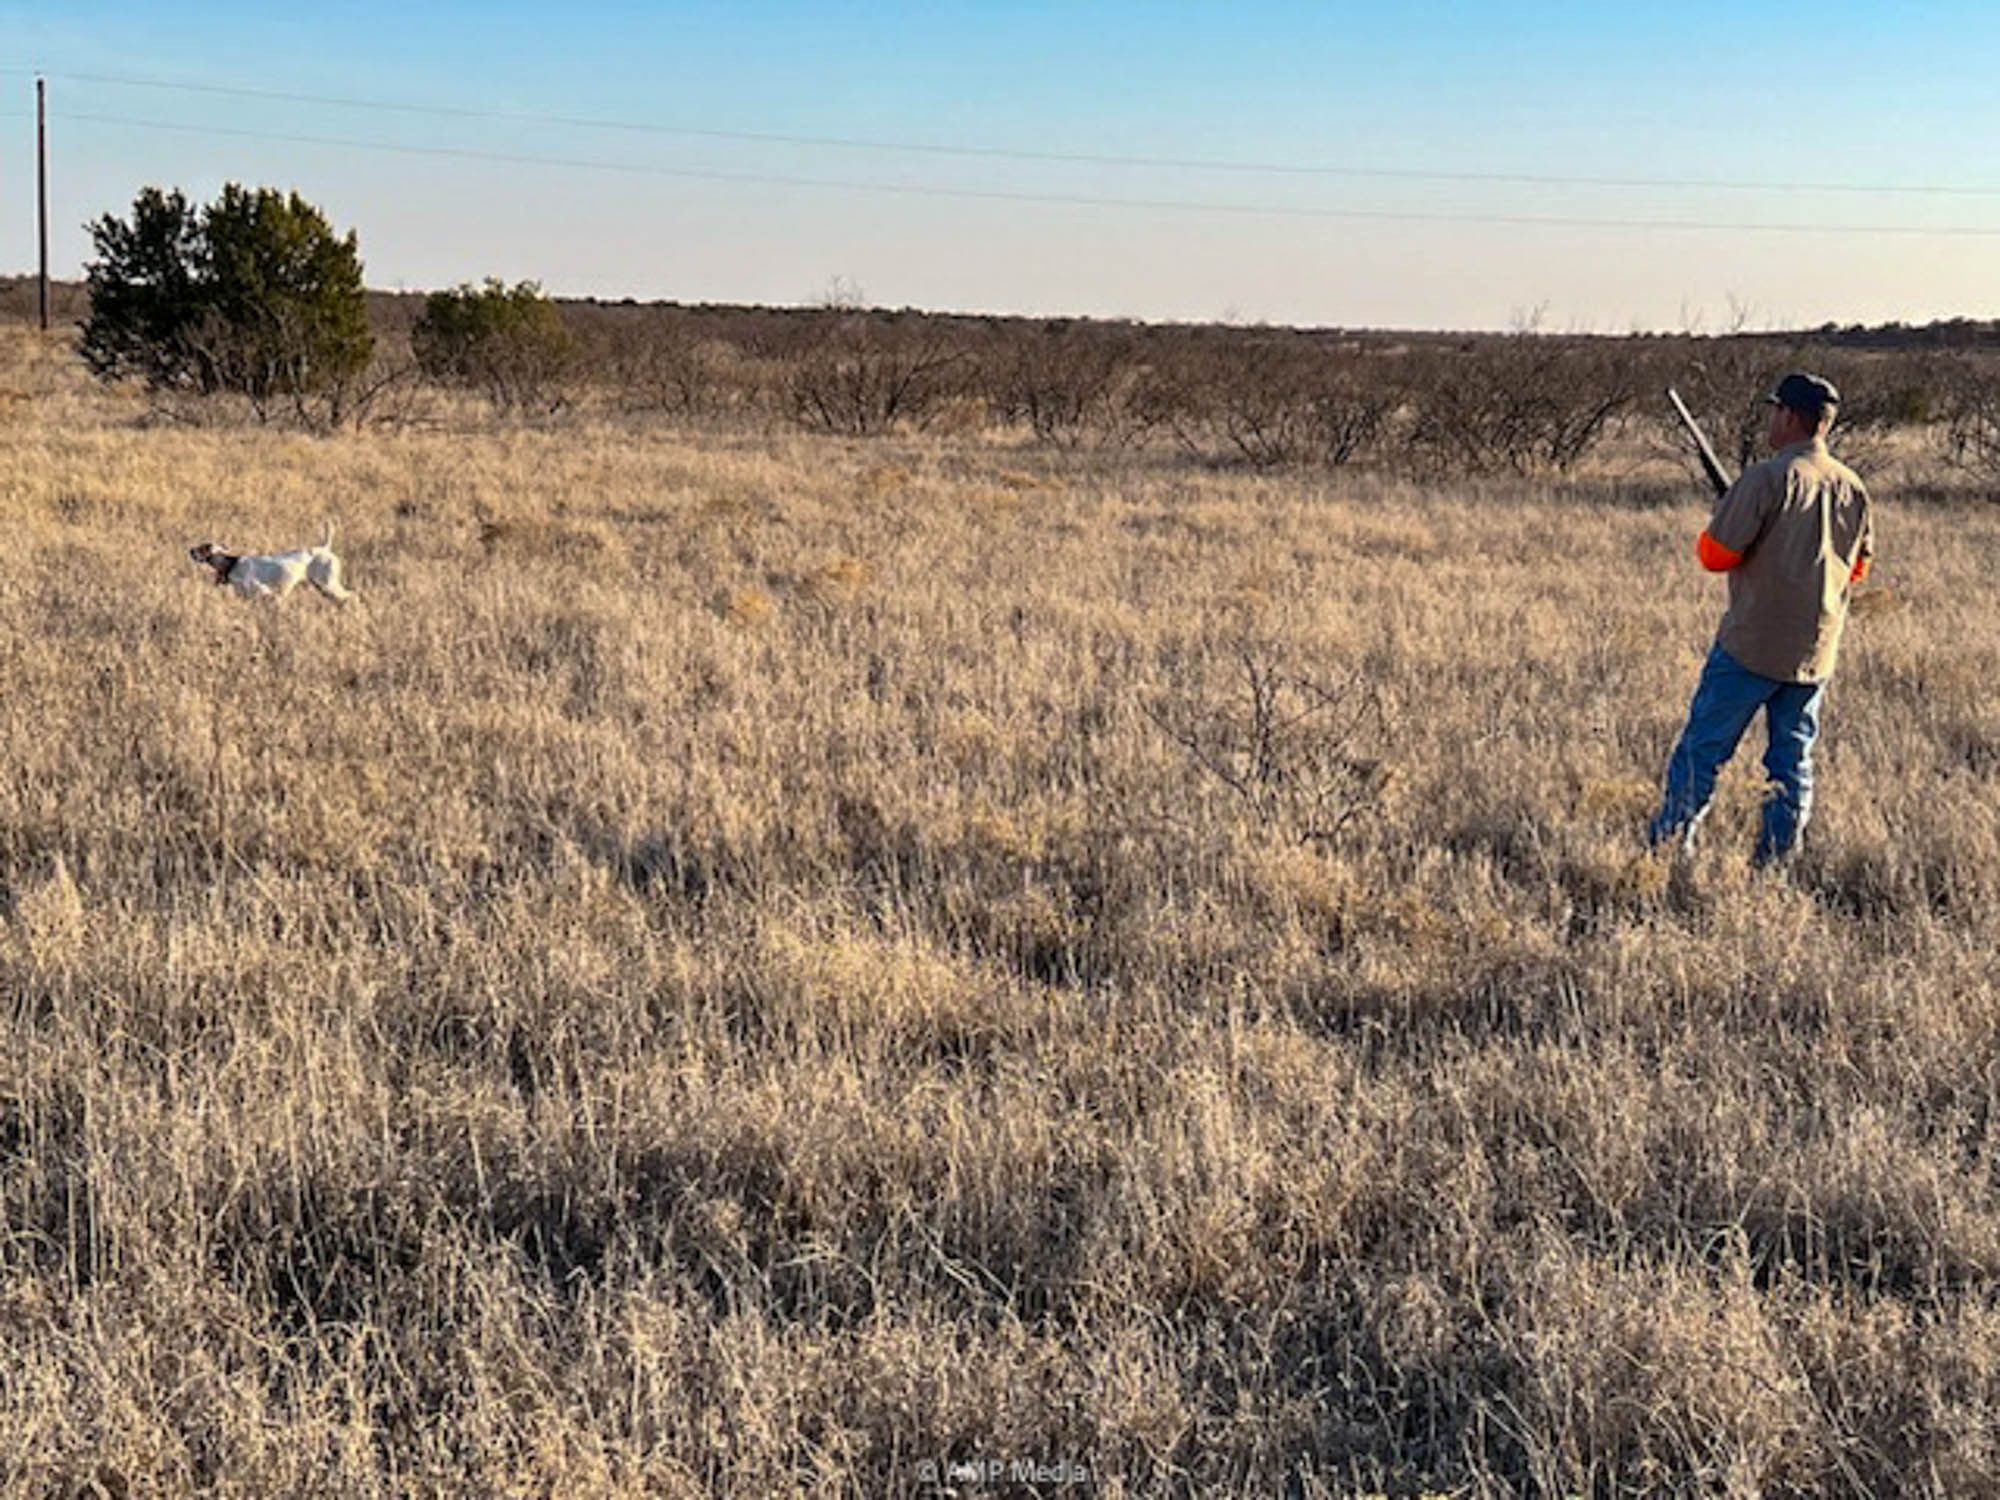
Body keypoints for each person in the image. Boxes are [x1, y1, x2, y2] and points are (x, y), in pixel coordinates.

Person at [1648, 372, 1873, 865]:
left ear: (1790, 416)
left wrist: (1724, 519)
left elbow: (1716, 555)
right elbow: (1857, 569)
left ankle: (1668, 852)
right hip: (1815, 652)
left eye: (1776, 410)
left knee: (1701, 753)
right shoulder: (1852, 487)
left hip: (1751, 646)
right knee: (1791, 764)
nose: (1771, 418)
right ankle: (1776, 861)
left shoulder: (1767, 479)